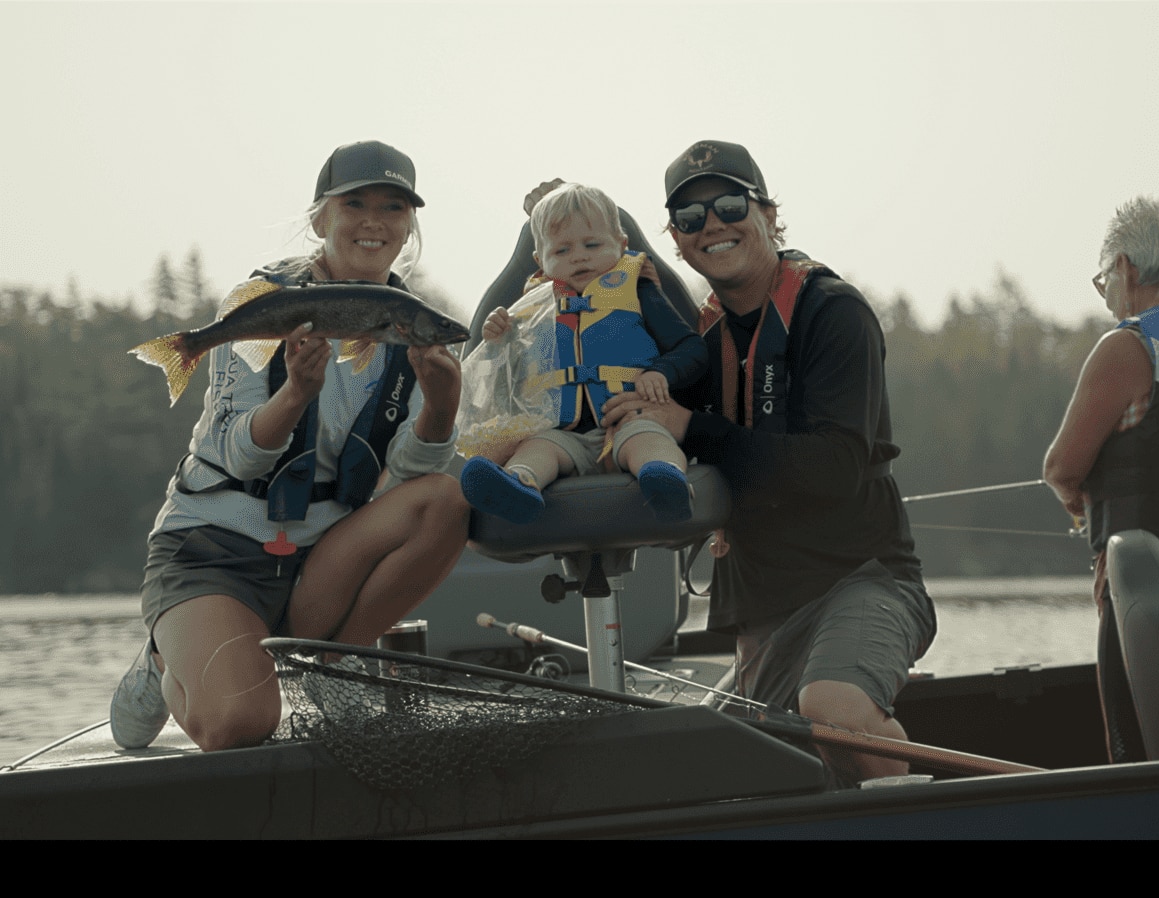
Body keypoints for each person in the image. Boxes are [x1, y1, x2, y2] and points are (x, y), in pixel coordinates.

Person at [109, 140, 470, 752]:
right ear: (320, 218)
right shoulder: (258, 305)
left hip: (320, 559)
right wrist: (295, 394)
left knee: (445, 500)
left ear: (410, 226)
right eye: (354, 203)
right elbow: (235, 454)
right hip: (214, 550)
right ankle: (164, 657)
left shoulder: (418, 328)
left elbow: (412, 470)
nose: (373, 221)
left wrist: (441, 403)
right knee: (241, 725)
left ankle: (336, 662)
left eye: (394, 207)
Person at [597, 140, 935, 785]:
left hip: (863, 579)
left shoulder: (835, 313)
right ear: (676, 240)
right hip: (762, 607)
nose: (713, 225)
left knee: (833, 708)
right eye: (691, 218)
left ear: (771, 214)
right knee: (706, 775)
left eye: (729, 204)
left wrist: (695, 427)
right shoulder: (694, 340)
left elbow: (833, 468)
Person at [1043, 196, 1159, 762]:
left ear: (1126, 269)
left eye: (1103, 275)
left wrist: (1079, 506)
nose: (1105, 290)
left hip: (1149, 591)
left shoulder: (1127, 347)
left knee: (1137, 754)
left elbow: (1062, 467)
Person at [460, 183, 707, 524]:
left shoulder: (638, 289)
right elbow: (504, 378)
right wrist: (498, 337)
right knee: (537, 450)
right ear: (540, 262)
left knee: (649, 441)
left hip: (629, 418)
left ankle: (665, 482)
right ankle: (518, 485)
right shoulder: (532, 311)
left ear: (621, 245)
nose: (579, 256)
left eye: (592, 245)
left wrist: (660, 373)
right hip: (563, 435)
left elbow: (691, 348)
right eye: (562, 251)